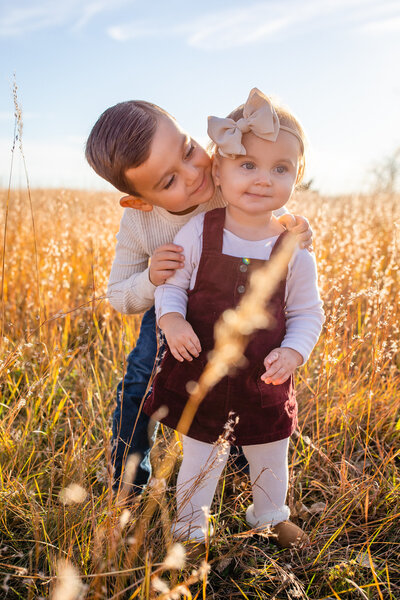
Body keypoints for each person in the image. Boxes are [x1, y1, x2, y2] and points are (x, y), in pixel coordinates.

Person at [85, 98, 313, 496]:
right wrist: (151, 280)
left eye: (189, 150)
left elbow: (264, 203)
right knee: (141, 382)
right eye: (168, 181)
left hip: (235, 309)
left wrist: (293, 226)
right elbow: (118, 295)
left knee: (242, 378)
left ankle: (244, 462)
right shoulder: (139, 222)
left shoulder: (226, 179)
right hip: (167, 311)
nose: (192, 174)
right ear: (141, 200)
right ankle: (128, 480)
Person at [144, 88, 324, 548]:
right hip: (202, 371)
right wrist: (172, 321)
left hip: (264, 379)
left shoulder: (294, 250)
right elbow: (172, 283)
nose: (264, 179)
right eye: (248, 165)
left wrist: (293, 350)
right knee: (200, 455)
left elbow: (307, 311)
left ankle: (269, 515)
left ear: (296, 178)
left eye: (280, 169)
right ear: (218, 172)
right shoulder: (200, 231)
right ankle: (191, 526)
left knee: (270, 454)